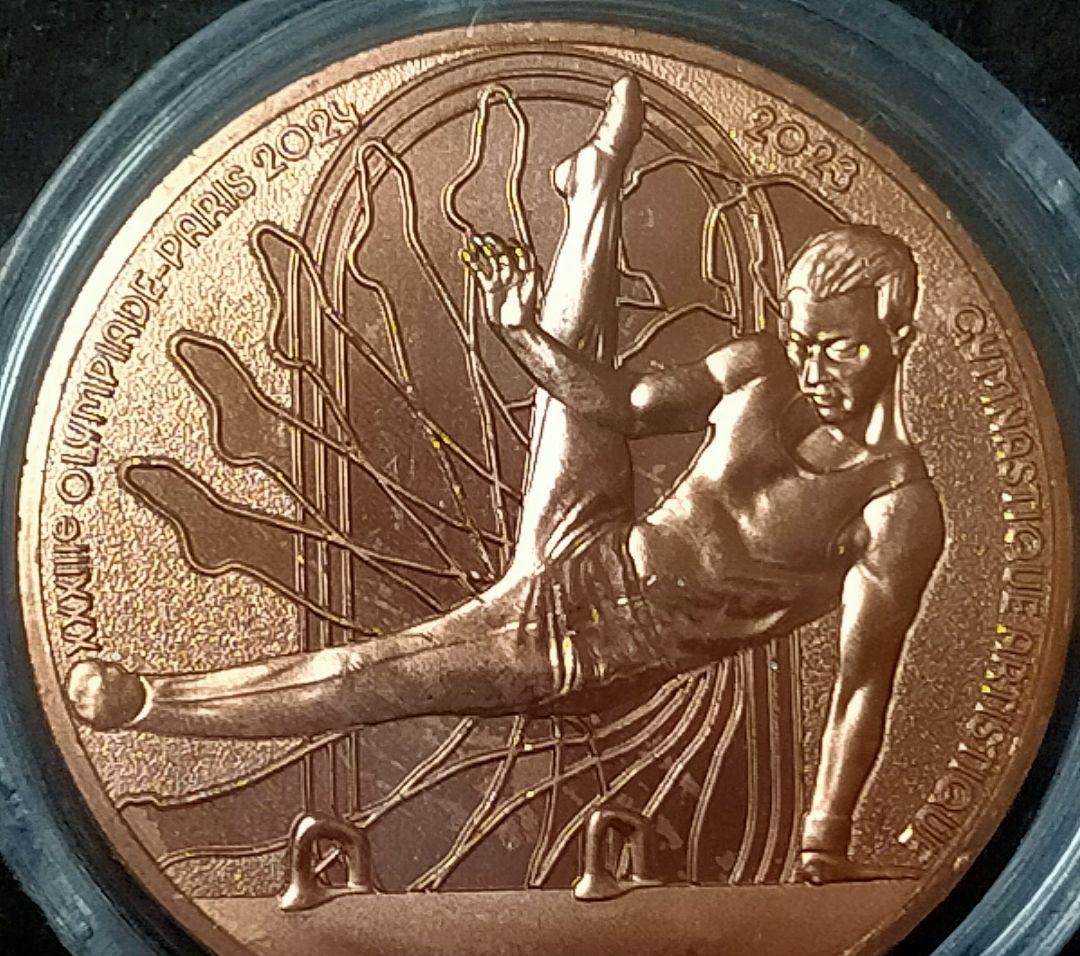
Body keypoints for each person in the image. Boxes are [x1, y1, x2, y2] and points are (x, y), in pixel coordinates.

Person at [67, 74, 944, 883]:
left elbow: (862, 683)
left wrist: (823, 840)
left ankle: (153, 703)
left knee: (370, 672)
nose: (812, 370)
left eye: (839, 348)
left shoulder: (894, 508)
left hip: (587, 643)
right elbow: (624, 405)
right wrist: (522, 333)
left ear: (896, 336)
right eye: (801, 341)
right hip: (595, 538)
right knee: (576, 379)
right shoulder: (761, 368)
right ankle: (596, 185)